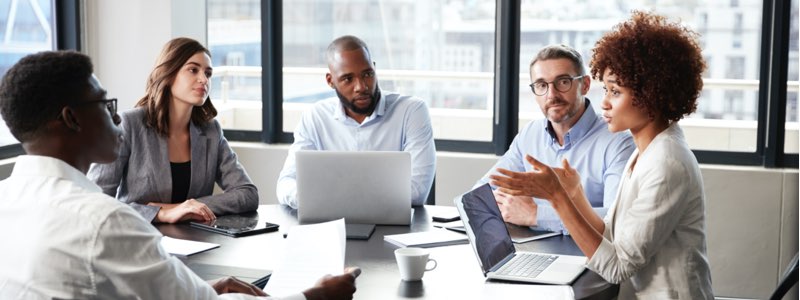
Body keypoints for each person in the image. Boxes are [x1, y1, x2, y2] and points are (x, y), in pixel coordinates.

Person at [0, 51, 360, 299]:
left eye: (208, 72)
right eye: (104, 104)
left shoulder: (7, 198)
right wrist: (315, 295)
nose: (115, 117)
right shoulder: (104, 221)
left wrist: (199, 290)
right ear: (71, 118)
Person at [491, 11, 713, 298]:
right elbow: (612, 233)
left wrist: (559, 199)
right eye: (605, 89)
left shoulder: (667, 164)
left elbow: (617, 267)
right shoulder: (648, 151)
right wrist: (575, 195)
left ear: (652, 96)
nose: (604, 103)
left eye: (615, 92)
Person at [88, 37, 258, 224]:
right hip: (139, 238)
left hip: (198, 243)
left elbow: (247, 194)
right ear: (168, 74)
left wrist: (188, 207)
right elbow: (96, 203)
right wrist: (160, 213)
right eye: (193, 70)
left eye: (208, 73)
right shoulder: (129, 124)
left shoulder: (211, 130)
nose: (204, 79)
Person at [474, 44, 634, 233]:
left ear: (585, 85)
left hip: (589, 257)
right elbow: (481, 194)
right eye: (542, 85)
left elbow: (614, 220)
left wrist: (535, 215)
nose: (551, 95)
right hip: (531, 251)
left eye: (563, 82)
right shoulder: (530, 134)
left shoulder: (619, 143)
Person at [276, 35, 436, 208]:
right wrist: (307, 198)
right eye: (348, 79)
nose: (361, 87)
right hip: (331, 224)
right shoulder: (315, 117)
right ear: (330, 81)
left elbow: (417, 191)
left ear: (374, 69)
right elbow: (286, 183)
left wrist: (328, 199)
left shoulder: (411, 111)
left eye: (367, 74)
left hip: (394, 229)